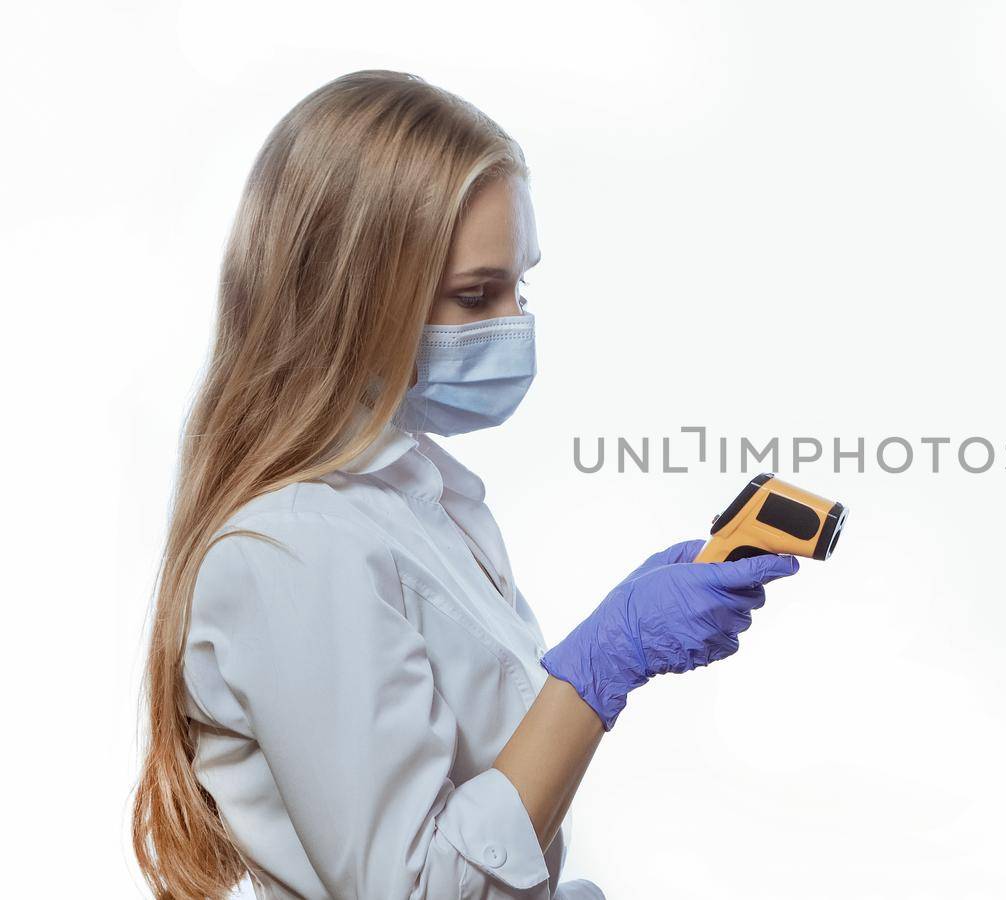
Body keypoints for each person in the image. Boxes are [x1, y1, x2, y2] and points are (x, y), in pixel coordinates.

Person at [129, 70, 799, 900]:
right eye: (476, 294)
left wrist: (609, 642)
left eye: (521, 286)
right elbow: (416, 889)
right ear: (352, 296)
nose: (514, 323)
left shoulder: (415, 495)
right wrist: (600, 666)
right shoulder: (292, 550)